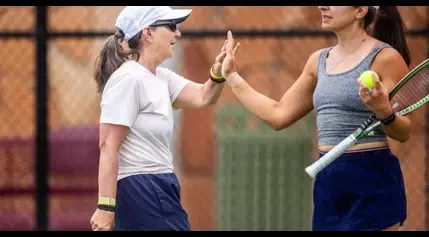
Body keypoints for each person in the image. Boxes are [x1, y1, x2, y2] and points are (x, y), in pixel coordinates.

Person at [221, 6, 411, 231]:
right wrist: (231, 76)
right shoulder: (317, 61)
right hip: (328, 184)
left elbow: (404, 131)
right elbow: (278, 114)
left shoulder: (386, 58)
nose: (323, 6)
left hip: (372, 180)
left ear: (360, 10)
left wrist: (384, 111)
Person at [90, 6, 228, 231]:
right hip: (140, 187)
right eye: (171, 26)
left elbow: (204, 96)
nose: (178, 33)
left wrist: (219, 72)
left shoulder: (161, 77)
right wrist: (105, 206)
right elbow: (107, 145)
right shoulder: (128, 79)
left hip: (162, 184)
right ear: (148, 34)